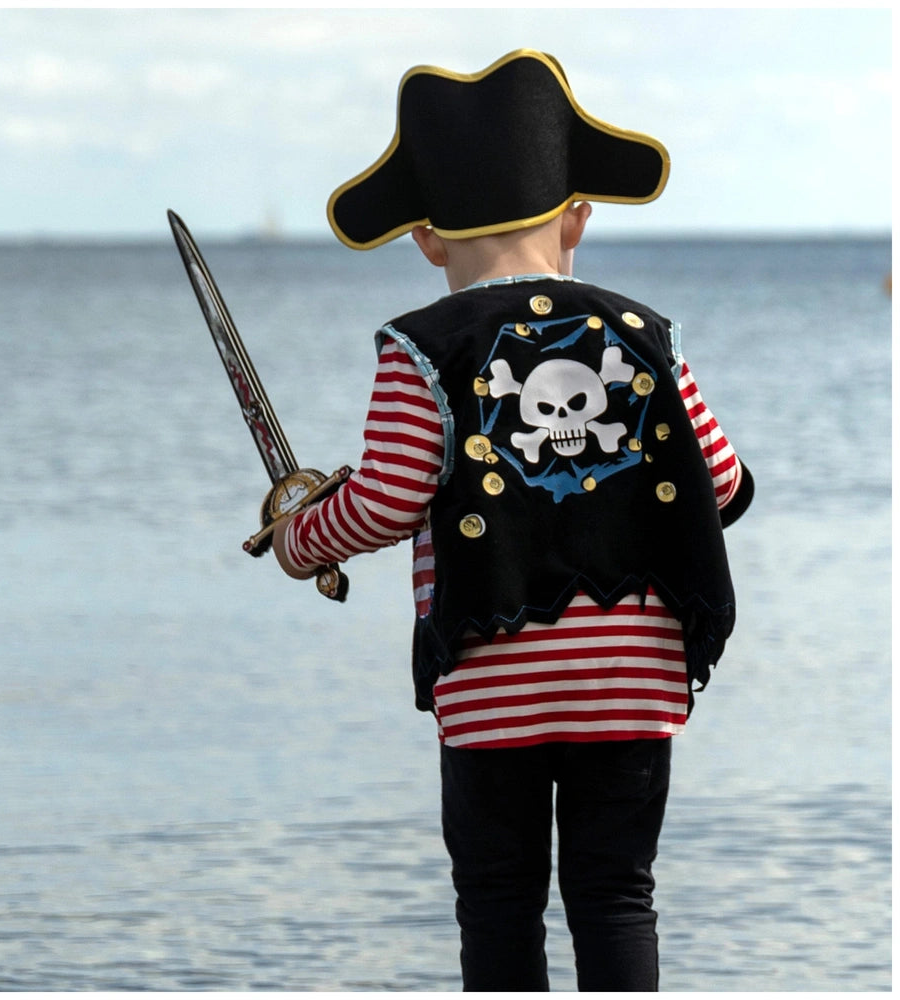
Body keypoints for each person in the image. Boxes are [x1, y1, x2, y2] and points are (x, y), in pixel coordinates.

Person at [272, 49, 753, 991]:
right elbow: (724, 483)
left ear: (426, 238)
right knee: (617, 894)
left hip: (494, 684)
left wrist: (300, 538)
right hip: (631, 680)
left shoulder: (420, 348)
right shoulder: (646, 333)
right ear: (578, 216)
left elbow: (386, 498)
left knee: (497, 900)